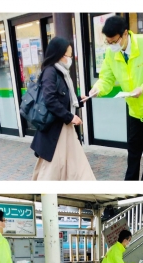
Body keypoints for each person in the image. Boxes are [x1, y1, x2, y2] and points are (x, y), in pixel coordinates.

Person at [89, 15, 143, 181]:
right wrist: (97, 89)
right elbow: (107, 78)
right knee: (133, 147)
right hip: (134, 107)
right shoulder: (112, 54)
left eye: (113, 41)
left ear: (125, 34)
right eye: (108, 42)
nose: (111, 45)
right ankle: (130, 181)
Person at [30, 37, 95, 181]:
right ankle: (47, 199)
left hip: (63, 127)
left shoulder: (60, 72)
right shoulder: (50, 72)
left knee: (74, 163)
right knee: (53, 168)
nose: (70, 59)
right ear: (59, 54)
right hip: (56, 128)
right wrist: (70, 117)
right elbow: (50, 100)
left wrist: (78, 100)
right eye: (69, 55)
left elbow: (62, 97)